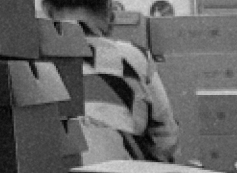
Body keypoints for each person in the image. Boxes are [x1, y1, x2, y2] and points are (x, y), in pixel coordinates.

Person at [43, 0, 179, 163]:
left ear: (47, 9)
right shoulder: (134, 58)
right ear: (108, 9)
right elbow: (165, 139)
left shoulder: (34, 61)